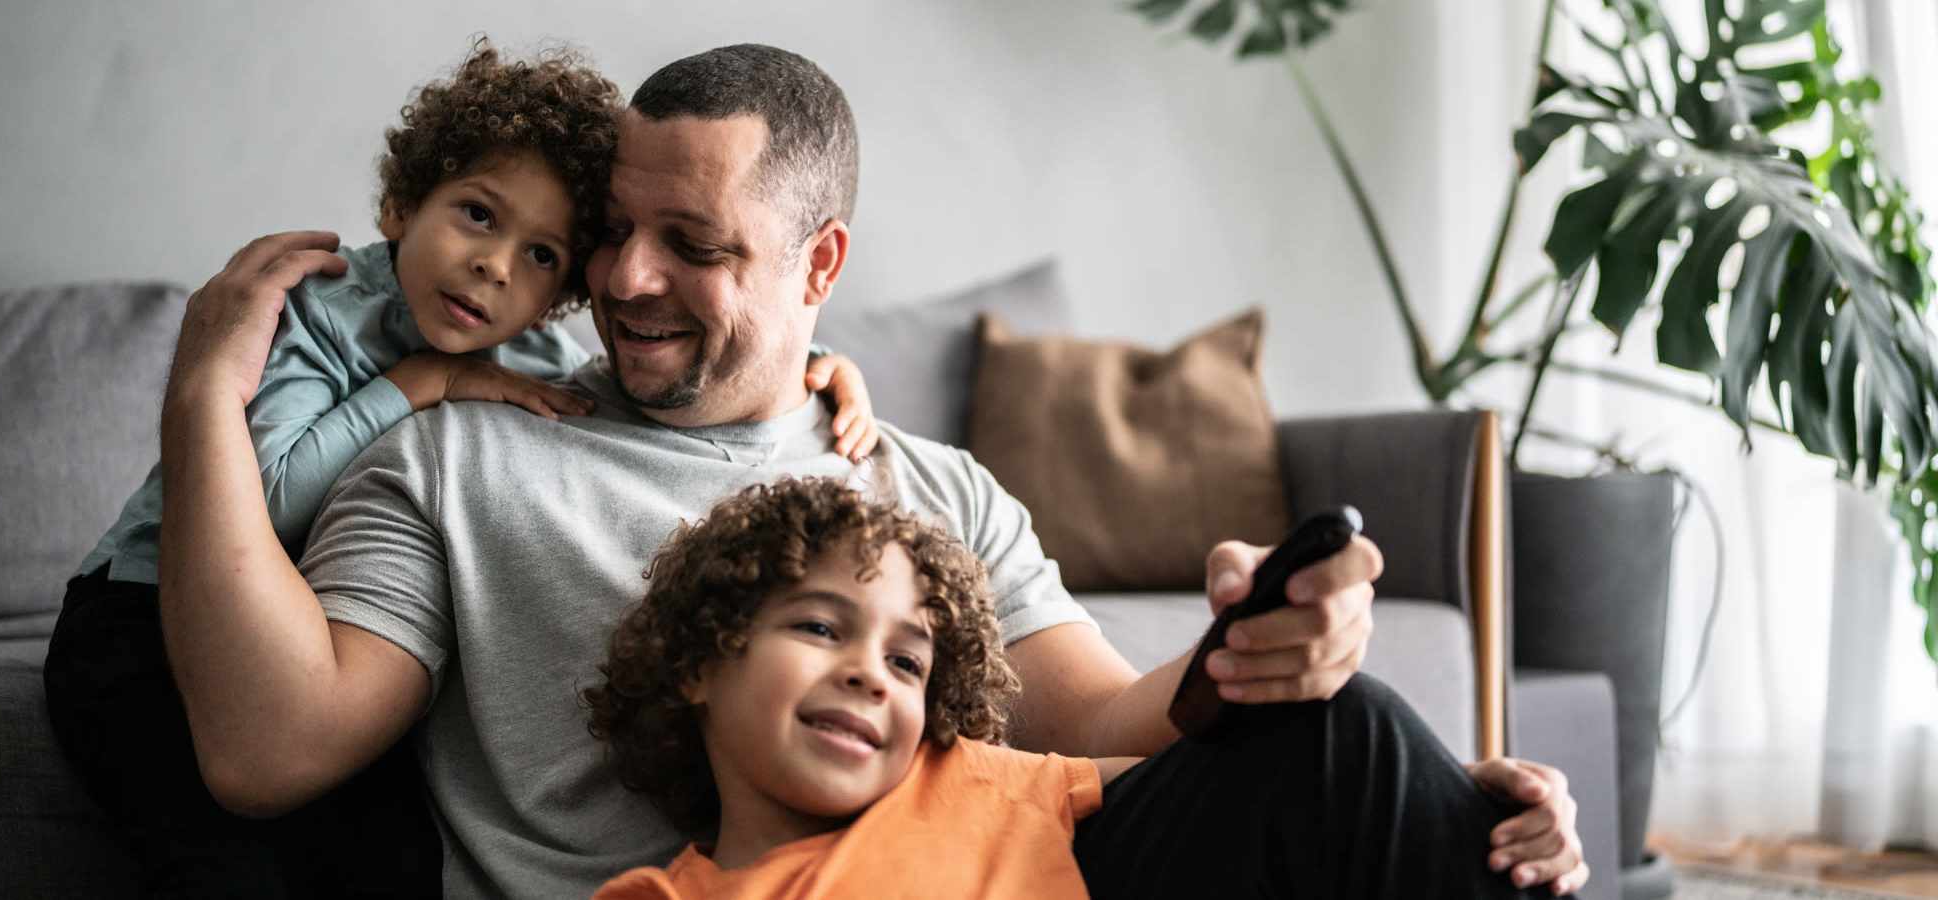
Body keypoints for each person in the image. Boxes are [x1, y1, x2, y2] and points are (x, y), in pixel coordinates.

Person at [156, 43, 1591, 899]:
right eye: (613, 231)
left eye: (697, 248)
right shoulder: (463, 452)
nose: (625, 279)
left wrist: (1264, 659)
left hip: (983, 880)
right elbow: (262, 755)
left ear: (818, 263)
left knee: (1367, 748)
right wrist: (206, 397)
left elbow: (1103, 719)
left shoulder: (931, 484)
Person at [41, 41, 878, 899]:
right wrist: (414, 387)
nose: (496, 264)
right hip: (141, 614)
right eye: (478, 215)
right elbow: (260, 497)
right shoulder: (323, 314)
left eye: (544, 255)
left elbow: (696, 365)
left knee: (400, 852)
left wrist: (818, 371)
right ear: (403, 203)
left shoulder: (515, 341)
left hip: (287, 623)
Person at [588, 476, 1136, 898]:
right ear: (696, 665)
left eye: (904, 663)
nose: (870, 674)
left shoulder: (976, 778)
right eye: (820, 628)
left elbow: (1201, 767)